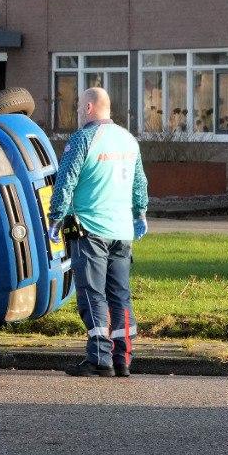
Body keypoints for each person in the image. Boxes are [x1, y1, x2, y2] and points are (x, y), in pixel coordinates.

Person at [47, 87, 148, 378]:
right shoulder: (129, 140)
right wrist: (140, 213)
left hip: (90, 228)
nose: (78, 113)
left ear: (90, 107)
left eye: (79, 107)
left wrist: (55, 219)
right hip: (122, 231)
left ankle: (99, 358)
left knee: (92, 293)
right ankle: (123, 359)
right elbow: (139, 182)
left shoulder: (83, 139)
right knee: (120, 295)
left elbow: (65, 181)